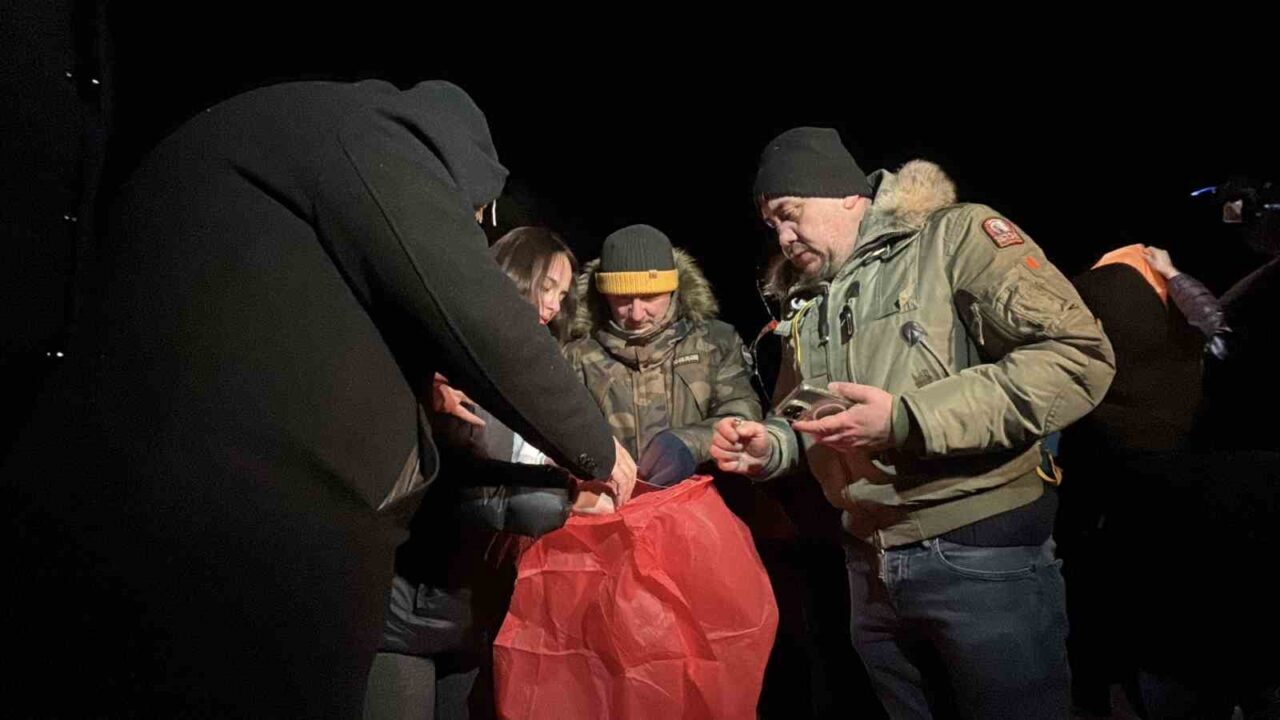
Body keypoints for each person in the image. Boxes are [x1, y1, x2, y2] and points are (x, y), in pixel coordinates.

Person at [0, 80, 633, 717]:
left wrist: (418, 394)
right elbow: (482, 320)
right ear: (464, 171)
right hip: (221, 531)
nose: (471, 228)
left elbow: (315, 330)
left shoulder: (304, 151)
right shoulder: (382, 143)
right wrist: (596, 449)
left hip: (184, 499)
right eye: (472, 214)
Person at [712, 127, 1115, 718]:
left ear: (845, 194)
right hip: (868, 565)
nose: (783, 237)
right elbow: (801, 408)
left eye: (789, 215)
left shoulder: (957, 238)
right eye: (772, 225)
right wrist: (770, 445)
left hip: (979, 555)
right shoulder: (813, 295)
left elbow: (1076, 357)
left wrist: (908, 418)